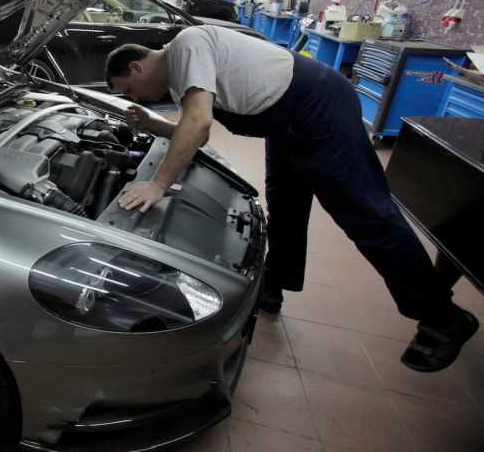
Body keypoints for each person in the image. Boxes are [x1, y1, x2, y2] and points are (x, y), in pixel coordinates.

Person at [104, 27, 478, 373]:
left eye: (128, 89)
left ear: (136, 65)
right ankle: (275, 284)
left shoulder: (187, 45)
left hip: (317, 105)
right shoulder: (179, 77)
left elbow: (198, 123)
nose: (133, 98)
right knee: (285, 206)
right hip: (286, 120)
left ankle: (441, 317)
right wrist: (153, 123)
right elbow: (194, 130)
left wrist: (158, 185)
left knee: (366, 214)